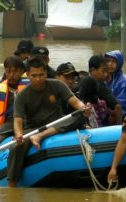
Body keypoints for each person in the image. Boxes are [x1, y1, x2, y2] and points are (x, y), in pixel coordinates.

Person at [7, 57, 91, 187]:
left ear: (46, 73)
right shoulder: (22, 95)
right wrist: (19, 134)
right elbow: (18, 120)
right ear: (28, 75)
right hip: (33, 128)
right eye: (34, 75)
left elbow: (75, 102)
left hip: (57, 122)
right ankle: (11, 185)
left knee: (79, 116)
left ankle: (40, 137)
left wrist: (84, 108)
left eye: (41, 75)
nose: (38, 79)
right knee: (16, 147)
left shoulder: (57, 85)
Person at [79, 55, 123, 127]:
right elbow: (118, 107)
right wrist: (119, 129)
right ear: (93, 70)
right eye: (103, 71)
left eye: (107, 71)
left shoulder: (82, 79)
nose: (106, 74)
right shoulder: (99, 84)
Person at [104, 50, 126, 116]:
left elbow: (121, 103)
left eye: (114, 61)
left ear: (119, 63)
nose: (110, 64)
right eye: (108, 61)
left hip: (118, 115)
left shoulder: (124, 80)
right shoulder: (102, 77)